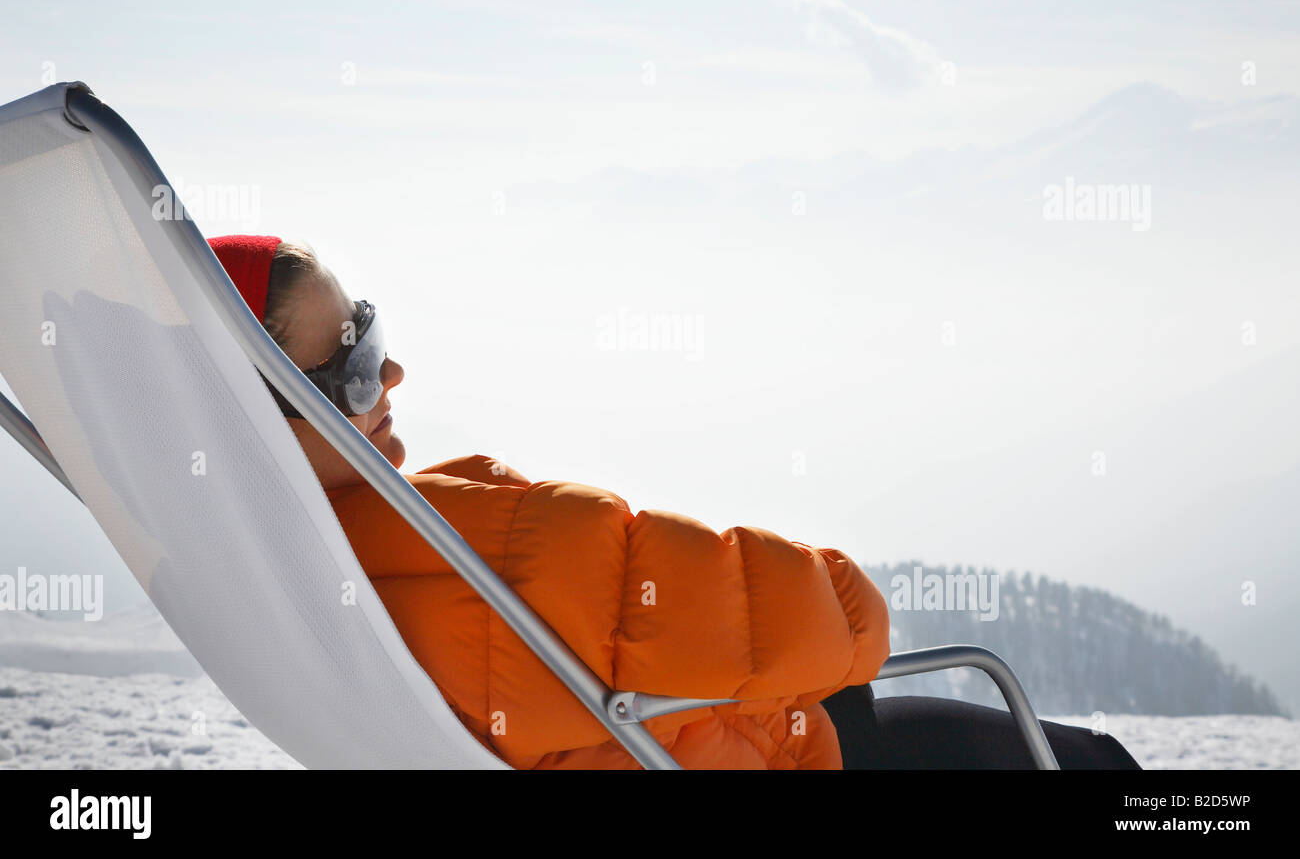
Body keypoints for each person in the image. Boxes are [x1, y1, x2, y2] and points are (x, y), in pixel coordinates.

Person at [206, 233, 1142, 771]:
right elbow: (821, 624)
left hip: (714, 735)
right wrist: (853, 614)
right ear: (275, 420)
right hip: (788, 751)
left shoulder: (288, 578)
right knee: (1098, 770)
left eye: (375, 335)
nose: (392, 373)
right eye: (356, 368)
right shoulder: (455, 544)